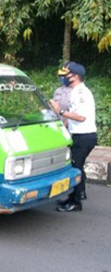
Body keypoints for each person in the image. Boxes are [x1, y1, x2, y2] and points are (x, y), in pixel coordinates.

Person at [49, 62, 97, 212]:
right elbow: (74, 113)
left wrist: (60, 111)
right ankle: (75, 196)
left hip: (83, 137)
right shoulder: (76, 91)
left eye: (66, 75)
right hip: (80, 135)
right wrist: (64, 126)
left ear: (75, 77)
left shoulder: (81, 93)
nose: (63, 78)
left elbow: (81, 117)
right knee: (76, 166)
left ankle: (76, 202)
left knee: (75, 168)